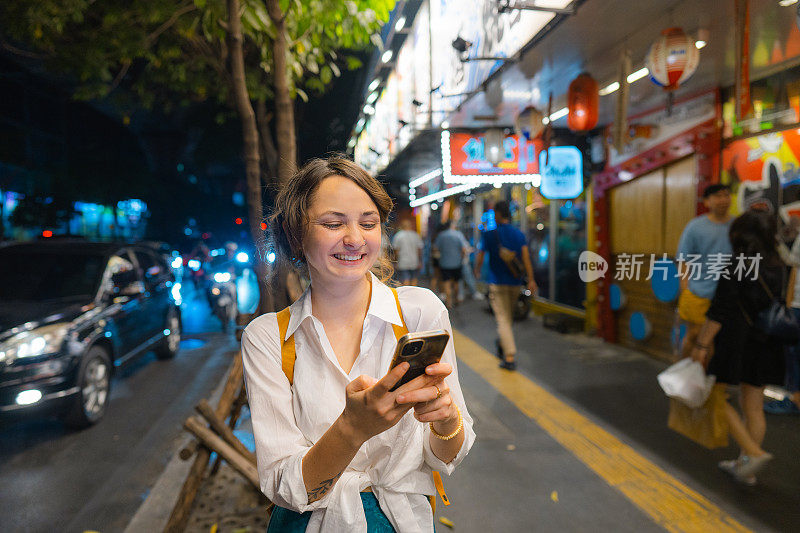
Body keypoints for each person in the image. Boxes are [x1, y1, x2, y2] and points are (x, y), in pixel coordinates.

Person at [241, 156, 475, 532]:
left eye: (368, 223)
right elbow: (283, 485)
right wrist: (352, 428)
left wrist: (446, 419)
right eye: (333, 223)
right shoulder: (268, 338)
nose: (354, 238)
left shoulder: (419, 312)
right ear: (295, 235)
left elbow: (444, 457)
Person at [691, 210, 787, 485]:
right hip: (766, 340)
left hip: (738, 341)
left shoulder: (737, 263)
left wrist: (701, 344)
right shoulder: (778, 264)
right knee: (753, 406)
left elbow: (720, 310)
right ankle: (747, 469)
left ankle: (754, 454)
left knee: (714, 399)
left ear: (739, 234)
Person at [473, 201, 535, 371]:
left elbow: (480, 255)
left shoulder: (490, 234)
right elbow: (526, 258)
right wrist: (531, 279)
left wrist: (477, 271)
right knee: (507, 317)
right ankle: (502, 343)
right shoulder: (519, 234)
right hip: (515, 282)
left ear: (498, 214)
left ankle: (509, 356)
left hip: (497, 283)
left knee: (503, 320)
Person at [676, 184, 733, 360]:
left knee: (718, 343)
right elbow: (683, 260)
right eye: (718, 196)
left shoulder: (737, 225)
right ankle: (684, 376)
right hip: (699, 293)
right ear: (707, 202)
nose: (723, 199)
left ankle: (705, 381)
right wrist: (685, 290)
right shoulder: (695, 227)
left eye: (726, 195)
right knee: (696, 337)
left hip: (728, 295)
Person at [764, 228, 800, 415]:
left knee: (794, 355)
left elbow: (793, 262)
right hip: (796, 303)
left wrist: (776, 242)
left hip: (798, 304)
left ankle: (796, 401)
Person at [433, 220, 470, 309]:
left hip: (444, 263)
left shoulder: (441, 235)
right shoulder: (459, 235)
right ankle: (456, 299)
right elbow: (464, 249)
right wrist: (463, 257)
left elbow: (435, 248)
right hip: (457, 263)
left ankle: (448, 303)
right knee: (456, 282)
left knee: (446, 282)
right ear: (452, 225)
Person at [391, 219, 423, 286]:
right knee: (414, 279)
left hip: (403, 262)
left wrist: (395, 261)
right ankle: (413, 295)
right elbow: (419, 250)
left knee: (405, 279)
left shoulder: (398, 236)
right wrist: (420, 260)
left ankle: (407, 295)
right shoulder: (416, 235)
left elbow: (396, 251)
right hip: (414, 261)